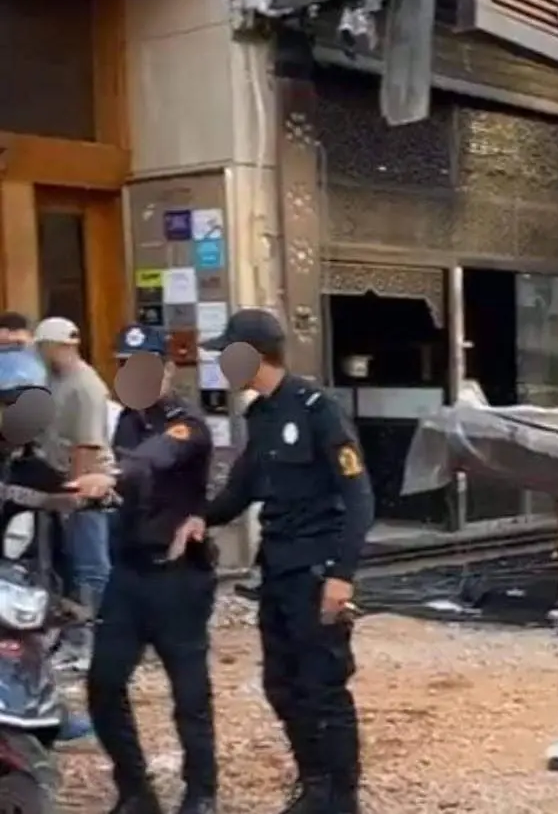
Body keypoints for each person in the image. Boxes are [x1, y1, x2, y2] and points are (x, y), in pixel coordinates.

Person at [173, 308, 373, 814]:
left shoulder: (317, 408)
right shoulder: (261, 415)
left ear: (254, 355)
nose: (222, 365)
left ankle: (340, 798)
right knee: (281, 684)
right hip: (278, 570)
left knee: (322, 685)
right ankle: (313, 783)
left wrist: (341, 575)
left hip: (317, 569)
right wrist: (202, 517)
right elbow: (242, 488)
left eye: (228, 355)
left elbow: (359, 496)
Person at [66, 324, 218, 814]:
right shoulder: (127, 421)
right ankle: (135, 789)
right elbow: (132, 480)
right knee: (104, 684)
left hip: (178, 578)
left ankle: (201, 793)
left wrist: (109, 476)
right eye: (125, 364)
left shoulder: (186, 422)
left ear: (167, 368)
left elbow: (155, 459)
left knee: (189, 694)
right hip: (129, 575)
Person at [0, 343, 94, 743]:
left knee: (30, 637)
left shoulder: (27, 459)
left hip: (23, 569)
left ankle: (46, 708)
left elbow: (57, 498)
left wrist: (90, 492)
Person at [34, 317, 114, 672]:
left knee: (91, 567)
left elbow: (87, 445)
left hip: (85, 485)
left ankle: (96, 642)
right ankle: (72, 638)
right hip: (59, 481)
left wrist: (76, 494)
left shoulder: (85, 386)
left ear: (58, 346)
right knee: (66, 566)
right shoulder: (53, 379)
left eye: (43, 346)